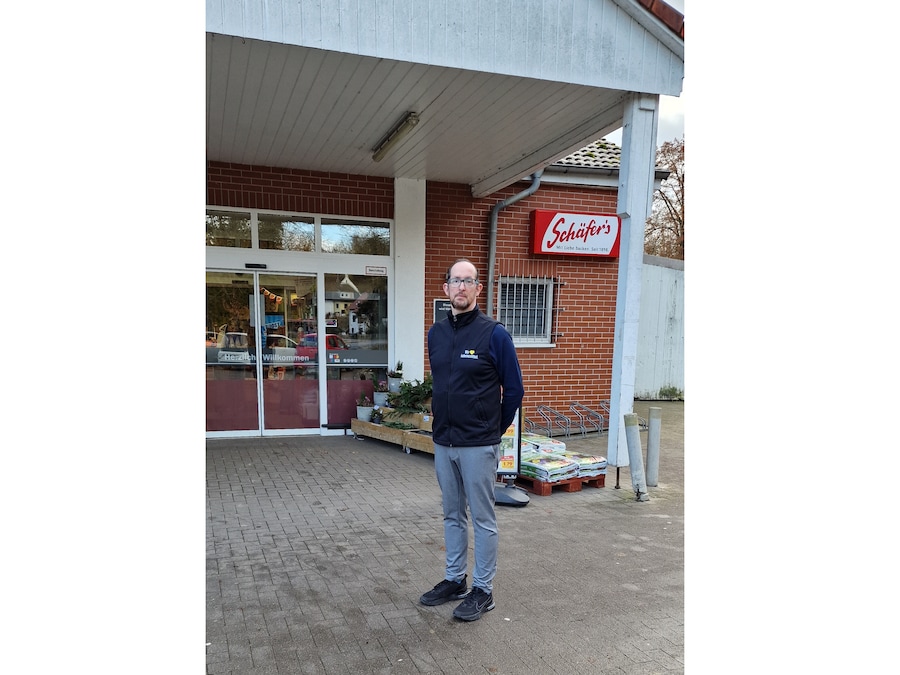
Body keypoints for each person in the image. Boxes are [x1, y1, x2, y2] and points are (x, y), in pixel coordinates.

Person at [420, 258, 524, 621]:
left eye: (468, 281)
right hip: (444, 441)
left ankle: (483, 589)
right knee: (452, 514)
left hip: (478, 444)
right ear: (446, 288)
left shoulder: (494, 334)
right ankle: (455, 580)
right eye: (455, 281)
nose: (461, 287)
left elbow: (514, 390)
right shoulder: (436, 333)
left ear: (478, 288)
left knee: (482, 518)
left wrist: (492, 430)